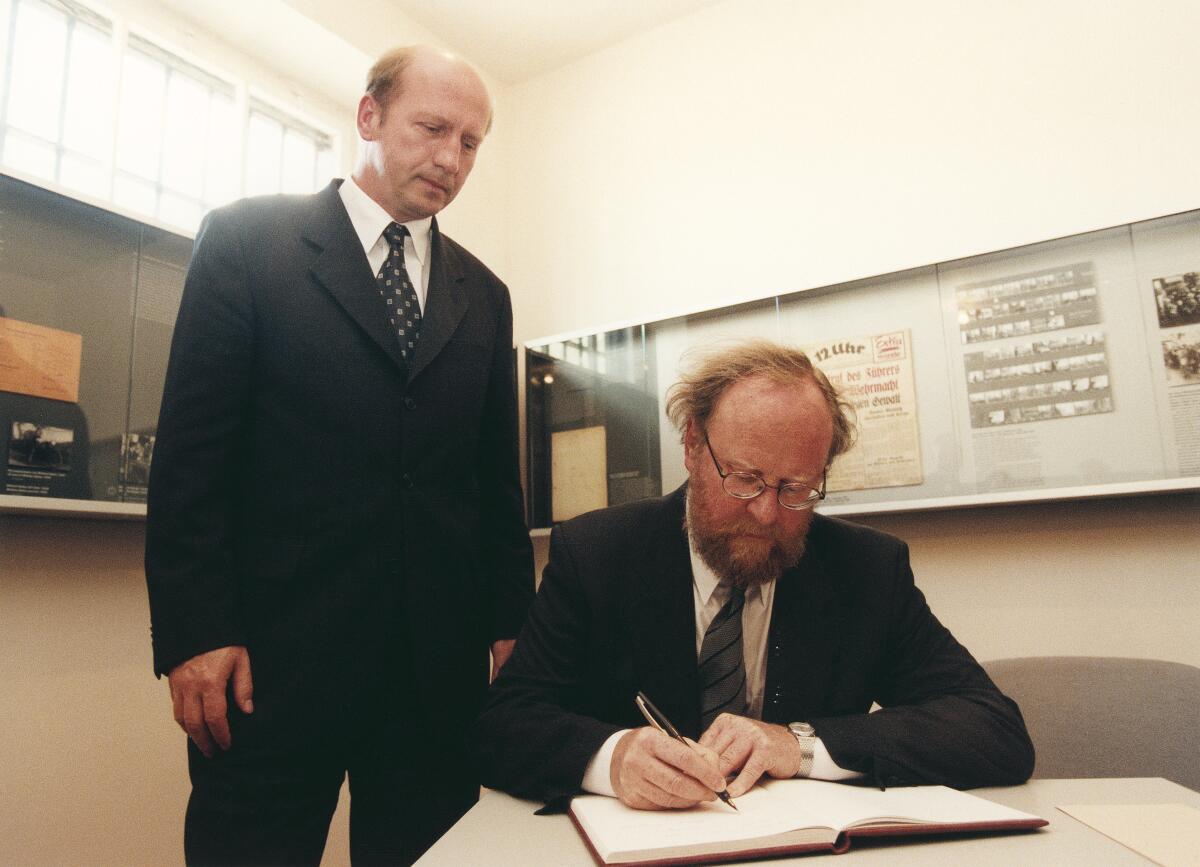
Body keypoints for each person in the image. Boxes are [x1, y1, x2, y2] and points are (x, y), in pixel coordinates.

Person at [145, 45, 534, 865]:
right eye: (432, 129)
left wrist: (515, 633)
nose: (449, 158)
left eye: (470, 143)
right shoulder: (249, 242)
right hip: (269, 669)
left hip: (434, 681)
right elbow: (191, 461)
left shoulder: (485, 295)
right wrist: (194, 632)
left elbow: (496, 485)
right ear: (369, 116)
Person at [474, 341, 1033, 810]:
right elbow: (505, 724)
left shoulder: (867, 570)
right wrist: (613, 757)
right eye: (744, 478)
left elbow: (993, 730)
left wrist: (799, 745)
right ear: (694, 446)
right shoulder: (598, 554)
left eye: (796, 489)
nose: (767, 513)